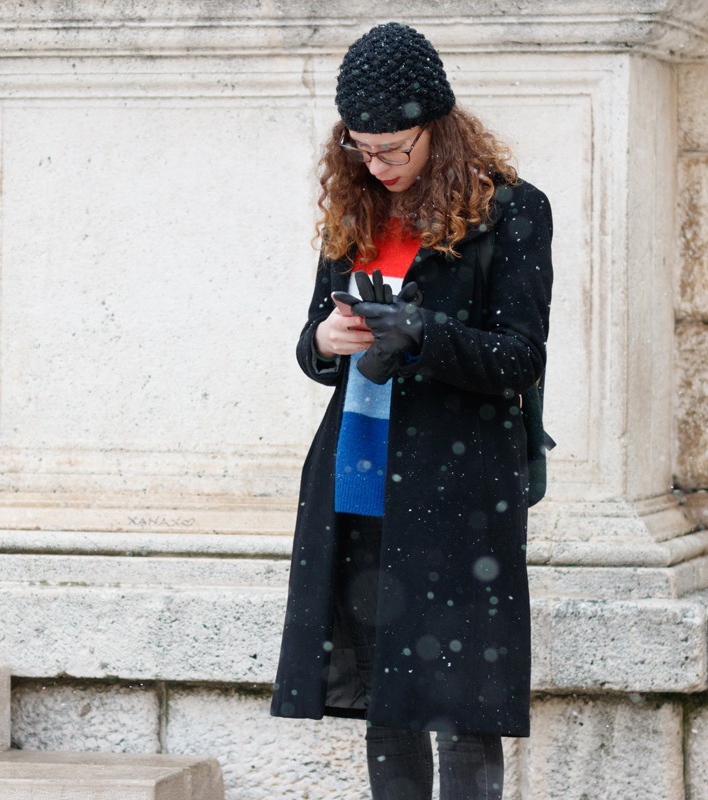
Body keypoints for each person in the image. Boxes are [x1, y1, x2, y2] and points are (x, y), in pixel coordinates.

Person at [269, 22, 553, 800]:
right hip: (357, 478)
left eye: (395, 147)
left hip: (459, 491)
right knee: (386, 707)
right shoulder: (355, 210)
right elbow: (314, 350)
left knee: (461, 711)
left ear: (438, 127)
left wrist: (426, 335)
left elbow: (520, 356)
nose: (380, 164)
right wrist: (324, 341)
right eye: (363, 148)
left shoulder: (514, 212)